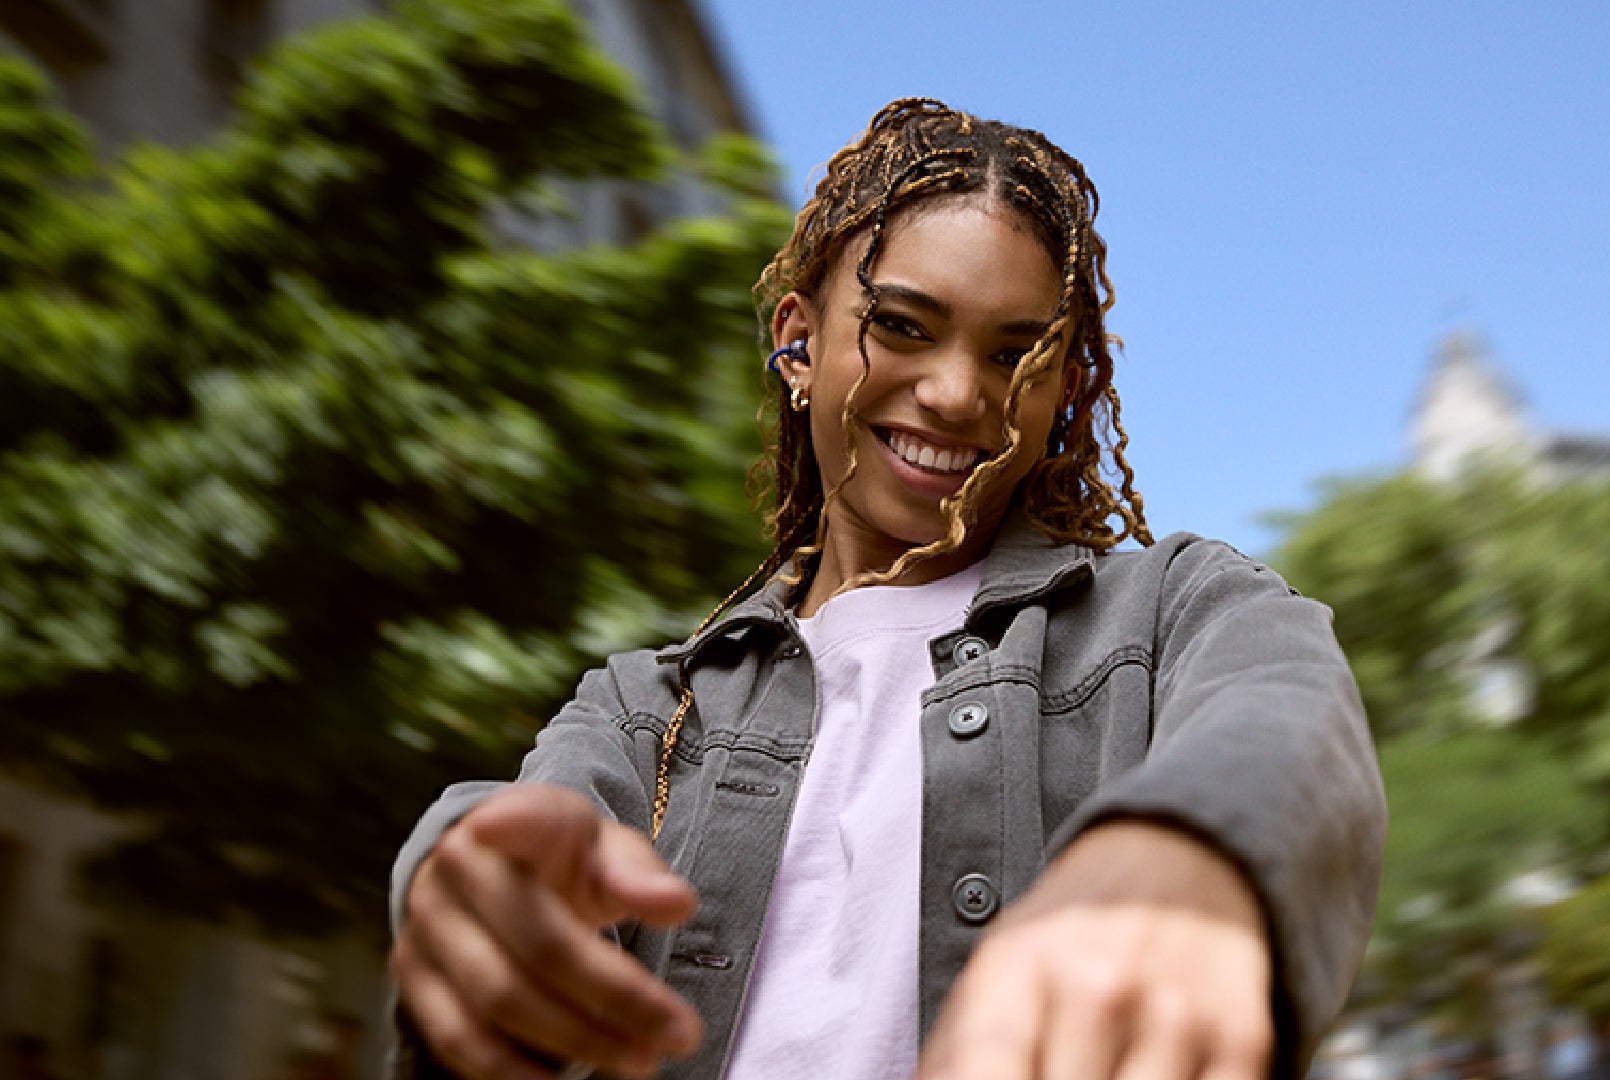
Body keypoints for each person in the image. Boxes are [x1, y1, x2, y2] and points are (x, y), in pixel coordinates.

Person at [386, 98, 1386, 1080]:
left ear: (1064, 391)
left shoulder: (1173, 610)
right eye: (903, 327)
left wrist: (1185, 848)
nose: (957, 393)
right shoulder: (644, 709)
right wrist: (464, 873)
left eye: (1016, 353)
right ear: (798, 345)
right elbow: (532, 835)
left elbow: (1288, 723)